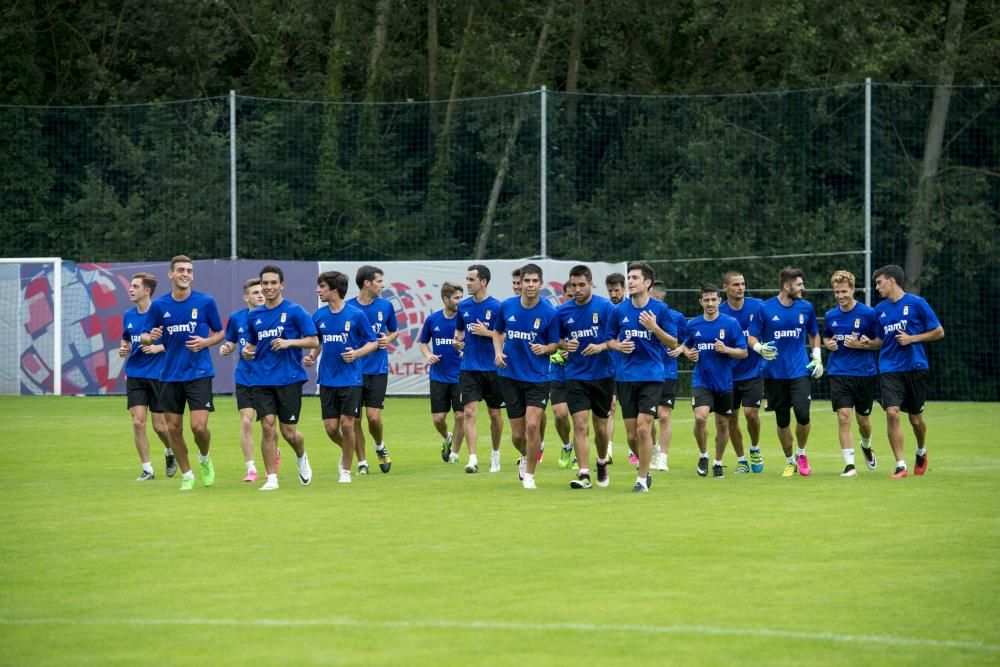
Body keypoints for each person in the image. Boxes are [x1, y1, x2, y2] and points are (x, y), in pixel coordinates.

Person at [141, 255, 224, 491]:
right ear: (171, 274)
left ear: (192, 275)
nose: (185, 274)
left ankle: (205, 458)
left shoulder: (206, 302)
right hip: (169, 375)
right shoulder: (159, 305)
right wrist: (151, 337)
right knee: (174, 429)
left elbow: (220, 333)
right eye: (180, 270)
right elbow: (145, 335)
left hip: (199, 373)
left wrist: (205, 342)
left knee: (198, 427)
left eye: (189, 270)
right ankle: (187, 474)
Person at [241, 266, 320, 491]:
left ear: (281, 285)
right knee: (267, 427)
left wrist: (289, 342)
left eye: (273, 283)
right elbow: (251, 344)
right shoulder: (254, 315)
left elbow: (314, 341)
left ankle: (301, 455)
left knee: (289, 433)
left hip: (289, 378)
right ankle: (271, 478)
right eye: (265, 284)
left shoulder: (295, 311)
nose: (268, 288)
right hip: (260, 378)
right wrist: (247, 350)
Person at [866, 264, 944, 478]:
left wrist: (912, 339)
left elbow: (938, 331)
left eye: (879, 282)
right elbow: (880, 341)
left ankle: (921, 450)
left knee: (916, 420)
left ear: (892, 281)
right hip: (889, 369)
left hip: (915, 367)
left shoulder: (917, 303)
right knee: (892, 413)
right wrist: (865, 343)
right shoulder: (879, 310)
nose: (877, 287)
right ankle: (901, 465)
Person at [606, 262, 678, 492]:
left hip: (652, 376)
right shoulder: (619, 311)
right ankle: (646, 460)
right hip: (625, 377)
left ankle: (642, 479)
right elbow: (609, 340)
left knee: (644, 428)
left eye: (635, 277)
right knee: (631, 435)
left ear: (647, 283)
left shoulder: (661, 310)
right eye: (629, 277)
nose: (630, 281)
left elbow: (673, 342)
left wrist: (654, 327)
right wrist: (619, 346)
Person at [303, 271, 379, 483]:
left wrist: (356, 353)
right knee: (330, 428)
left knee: (348, 424)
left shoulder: (356, 315)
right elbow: (316, 342)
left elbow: (372, 342)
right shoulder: (318, 316)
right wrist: (311, 356)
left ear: (334, 290)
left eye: (322, 287)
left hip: (351, 379)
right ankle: (348, 452)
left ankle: (345, 471)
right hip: (327, 379)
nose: (318, 291)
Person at [493, 263, 560, 489]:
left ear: (541, 284)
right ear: (520, 283)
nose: (530, 285)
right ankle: (525, 455)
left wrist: (546, 349)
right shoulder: (507, 306)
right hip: (509, 376)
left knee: (533, 426)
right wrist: (498, 352)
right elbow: (497, 332)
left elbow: (554, 343)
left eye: (534, 281)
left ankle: (530, 475)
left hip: (538, 378)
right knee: (517, 435)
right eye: (526, 281)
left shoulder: (549, 311)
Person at [758, 267, 822, 478]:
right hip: (774, 374)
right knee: (782, 420)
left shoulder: (806, 308)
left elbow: (814, 334)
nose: (803, 287)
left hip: (799, 371)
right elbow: (751, 337)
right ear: (787, 286)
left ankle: (801, 454)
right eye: (799, 284)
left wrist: (817, 357)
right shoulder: (765, 308)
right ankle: (789, 461)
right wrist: (759, 349)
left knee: (803, 414)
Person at [681, 284, 748, 478]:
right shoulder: (693, 324)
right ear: (701, 301)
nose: (710, 303)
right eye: (706, 300)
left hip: (724, 382)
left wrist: (726, 349)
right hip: (701, 380)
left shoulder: (731, 323)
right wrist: (689, 353)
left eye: (713, 299)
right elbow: (685, 346)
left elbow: (743, 352)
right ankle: (703, 455)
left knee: (722, 424)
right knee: (700, 417)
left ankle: (718, 462)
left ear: (719, 300)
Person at [558, 265, 616, 488]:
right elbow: (556, 341)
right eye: (574, 285)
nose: (577, 289)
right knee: (580, 425)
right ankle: (584, 474)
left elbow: (616, 339)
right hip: (575, 375)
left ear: (591, 284)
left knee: (601, 430)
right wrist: (564, 344)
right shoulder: (563, 312)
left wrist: (601, 346)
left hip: (602, 375)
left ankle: (601, 462)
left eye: (582, 285)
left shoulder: (605, 307)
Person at [821, 270, 880, 477]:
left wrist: (862, 345)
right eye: (837, 292)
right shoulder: (830, 316)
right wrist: (829, 344)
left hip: (864, 373)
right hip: (838, 371)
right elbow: (826, 337)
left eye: (844, 291)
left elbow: (878, 343)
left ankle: (866, 446)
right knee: (844, 417)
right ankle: (850, 465)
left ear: (853, 290)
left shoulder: (868, 314)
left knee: (863, 421)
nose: (840, 296)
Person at [119, 272, 174, 481]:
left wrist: (159, 348)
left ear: (147, 291)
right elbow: (126, 340)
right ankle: (147, 469)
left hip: (158, 376)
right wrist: (124, 349)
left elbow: (175, 342)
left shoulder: (162, 314)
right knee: (137, 422)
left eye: (135, 286)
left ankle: (170, 451)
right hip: (135, 375)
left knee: (160, 427)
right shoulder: (128, 315)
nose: (130, 289)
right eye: (130, 286)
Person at [719, 271, 774, 474]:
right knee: (732, 419)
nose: (740, 288)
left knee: (751, 414)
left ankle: (755, 448)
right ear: (726, 288)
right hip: (727, 375)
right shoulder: (720, 312)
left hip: (753, 372)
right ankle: (741, 460)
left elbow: (776, 317)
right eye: (735, 284)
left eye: (742, 283)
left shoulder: (758, 306)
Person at [347, 265, 399, 474]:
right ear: (367, 283)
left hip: (377, 369)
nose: (382, 285)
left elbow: (394, 331)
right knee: (355, 419)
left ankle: (379, 446)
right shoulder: (349, 308)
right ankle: (362, 463)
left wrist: (388, 339)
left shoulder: (386, 306)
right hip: (354, 371)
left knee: (374, 417)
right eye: (378, 281)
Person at [453, 264, 505, 473]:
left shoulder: (499, 307)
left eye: (471, 279)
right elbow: (459, 331)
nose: (467, 283)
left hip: (493, 369)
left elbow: (505, 335)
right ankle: (472, 458)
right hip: (469, 368)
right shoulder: (463, 307)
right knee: (469, 412)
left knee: (494, 414)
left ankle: (495, 453)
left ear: (483, 281)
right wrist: (457, 341)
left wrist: (486, 332)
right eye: (466, 279)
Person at [218, 277, 266, 482]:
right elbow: (230, 341)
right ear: (246, 297)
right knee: (246, 422)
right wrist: (226, 348)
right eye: (256, 292)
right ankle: (251, 469)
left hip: (268, 378)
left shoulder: (274, 316)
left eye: (262, 291)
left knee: (268, 425)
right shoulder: (237, 318)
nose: (261, 294)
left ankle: (274, 455)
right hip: (245, 377)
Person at [418, 281, 466, 464]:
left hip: (461, 375)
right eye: (456, 298)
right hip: (438, 375)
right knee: (439, 419)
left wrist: (463, 347)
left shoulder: (464, 321)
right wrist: (428, 355)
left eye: (462, 297)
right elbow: (423, 342)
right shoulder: (433, 320)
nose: (460, 301)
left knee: (460, 415)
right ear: (446, 299)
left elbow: (473, 345)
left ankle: (454, 453)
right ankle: (447, 438)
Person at [649, 280, 688, 472]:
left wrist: (680, 348)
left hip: (668, 372)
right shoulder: (639, 316)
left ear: (659, 298)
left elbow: (691, 337)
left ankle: (663, 457)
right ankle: (654, 449)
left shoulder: (676, 317)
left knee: (664, 416)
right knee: (647, 418)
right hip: (646, 373)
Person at [603, 271, 626, 464]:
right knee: (610, 407)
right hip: (610, 367)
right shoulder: (606, 310)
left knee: (634, 412)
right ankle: (608, 450)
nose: (613, 294)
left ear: (624, 289)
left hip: (632, 368)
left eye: (616, 290)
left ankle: (643, 448)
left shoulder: (632, 309)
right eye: (610, 291)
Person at [553, 279, 576, 469]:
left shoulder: (586, 313)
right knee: (560, 414)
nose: (573, 296)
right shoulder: (558, 314)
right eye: (569, 294)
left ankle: (578, 453)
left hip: (579, 373)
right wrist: (560, 350)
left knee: (579, 417)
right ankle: (567, 445)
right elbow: (551, 341)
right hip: (558, 373)